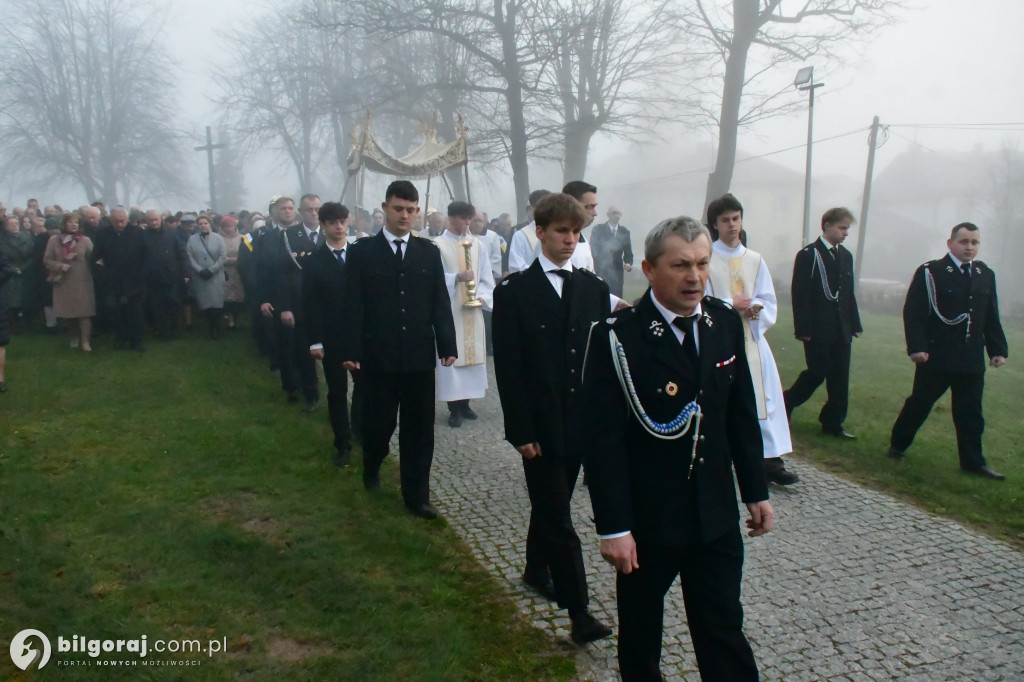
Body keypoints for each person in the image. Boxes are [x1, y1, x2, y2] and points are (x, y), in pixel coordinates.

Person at [581, 215, 772, 681]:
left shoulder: (724, 322)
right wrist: (614, 527)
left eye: (703, 264)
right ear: (648, 269)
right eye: (680, 265)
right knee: (642, 636)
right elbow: (602, 442)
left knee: (723, 625)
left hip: (714, 515)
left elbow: (740, 416)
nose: (694, 277)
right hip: (648, 519)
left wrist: (755, 489)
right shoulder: (617, 338)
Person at [493, 192, 613, 645]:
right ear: (539, 232)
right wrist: (520, 430)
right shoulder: (515, 293)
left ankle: (532, 568)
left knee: (551, 505)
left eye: (575, 232)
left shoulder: (593, 289)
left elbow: (601, 363)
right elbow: (509, 366)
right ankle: (579, 612)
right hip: (540, 426)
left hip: (580, 422)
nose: (569, 239)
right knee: (560, 518)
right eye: (561, 231)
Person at [340, 180, 457, 520]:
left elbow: (439, 300)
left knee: (420, 429)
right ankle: (372, 465)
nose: (404, 215)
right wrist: (351, 348)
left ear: (417, 211)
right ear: (385, 208)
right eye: (398, 209)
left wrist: (446, 342)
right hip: (378, 356)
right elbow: (352, 304)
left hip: (419, 356)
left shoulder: (428, 253)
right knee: (379, 424)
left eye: (410, 210)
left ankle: (417, 495)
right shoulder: (362, 253)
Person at [888, 222, 1008, 480]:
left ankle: (973, 462)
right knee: (920, 403)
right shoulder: (932, 272)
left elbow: (990, 316)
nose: (969, 247)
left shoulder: (984, 274)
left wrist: (997, 349)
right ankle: (898, 445)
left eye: (974, 242)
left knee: (971, 412)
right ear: (950, 243)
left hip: (971, 357)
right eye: (964, 241)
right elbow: (915, 313)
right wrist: (917, 347)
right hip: (937, 355)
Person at [705, 194, 797, 485]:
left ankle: (769, 461)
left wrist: (756, 309)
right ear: (715, 224)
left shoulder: (756, 260)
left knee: (763, 398)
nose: (732, 225)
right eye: (725, 220)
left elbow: (768, 300)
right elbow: (701, 298)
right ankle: (715, 457)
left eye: (736, 218)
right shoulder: (707, 258)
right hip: (717, 340)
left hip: (752, 340)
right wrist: (731, 303)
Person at [784, 207, 863, 439]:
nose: (845, 233)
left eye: (847, 228)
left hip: (841, 327)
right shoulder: (809, 255)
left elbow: (848, 293)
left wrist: (854, 323)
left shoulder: (845, 256)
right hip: (818, 328)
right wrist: (804, 329)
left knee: (840, 376)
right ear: (827, 225)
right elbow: (800, 294)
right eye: (842, 228)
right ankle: (787, 402)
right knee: (818, 371)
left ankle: (833, 422)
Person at [434, 201, 495, 427]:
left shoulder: (478, 245)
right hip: (450, 311)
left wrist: (482, 297)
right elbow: (433, 279)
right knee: (453, 358)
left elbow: (487, 277)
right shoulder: (437, 245)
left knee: (472, 360)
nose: (467, 223)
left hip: (472, 311)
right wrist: (456, 278)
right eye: (462, 218)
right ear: (451, 218)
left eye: (469, 219)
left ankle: (466, 404)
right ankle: (453, 408)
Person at [304, 202, 355, 467]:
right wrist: (315, 340)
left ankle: (360, 431)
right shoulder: (314, 261)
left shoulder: (359, 254)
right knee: (337, 391)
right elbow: (310, 304)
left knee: (366, 390)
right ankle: (342, 443)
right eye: (333, 222)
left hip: (360, 336)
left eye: (342, 221)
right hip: (332, 337)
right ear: (323, 225)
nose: (339, 226)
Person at [257, 196, 320, 410]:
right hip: (295, 299)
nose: (314, 213)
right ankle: (301, 389)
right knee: (296, 347)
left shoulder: (329, 234)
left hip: (321, 301)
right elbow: (275, 273)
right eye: (309, 209)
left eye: (317, 209)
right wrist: (280, 304)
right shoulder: (283, 237)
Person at [92, 207, 146, 351]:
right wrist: (101, 270)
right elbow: (96, 255)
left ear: (127, 220)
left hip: (134, 279)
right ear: (111, 221)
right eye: (116, 222)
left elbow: (145, 255)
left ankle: (136, 341)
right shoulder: (103, 234)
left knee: (135, 312)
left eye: (122, 221)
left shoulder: (138, 233)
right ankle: (120, 337)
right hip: (112, 279)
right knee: (114, 310)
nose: (120, 224)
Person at [43, 213, 95, 352]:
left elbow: (94, 259)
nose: (74, 225)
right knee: (70, 313)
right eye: (71, 222)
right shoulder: (54, 240)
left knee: (85, 313)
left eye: (76, 222)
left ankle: (85, 341)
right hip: (64, 281)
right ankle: (74, 337)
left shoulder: (85, 240)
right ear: (64, 224)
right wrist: (60, 265)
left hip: (82, 282)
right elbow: (47, 260)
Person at [142, 209, 188, 340]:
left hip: (172, 275)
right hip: (153, 278)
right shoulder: (143, 236)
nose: (154, 222)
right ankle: (164, 332)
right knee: (157, 307)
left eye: (156, 219)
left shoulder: (171, 233)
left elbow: (181, 253)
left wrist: (185, 272)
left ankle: (174, 328)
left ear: (161, 219)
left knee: (174, 303)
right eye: (151, 220)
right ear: (147, 221)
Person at [186, 215, 227, 340]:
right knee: (205, 303)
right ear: (197, 226)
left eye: (205, 223)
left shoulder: (218, 238)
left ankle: (216, 328)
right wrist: (200, 270)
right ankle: (210, 325)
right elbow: (190, 256)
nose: (203, 225)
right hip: (201, 276)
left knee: (216, 302)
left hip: (215, 275)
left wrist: (212, 270)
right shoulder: (192, 240)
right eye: (200, 223)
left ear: (210, 224)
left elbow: (222, 257)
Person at [589, 205, 634, 297]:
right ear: (608, 215)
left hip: (617, 272)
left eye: (619, 213)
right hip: (600, 270)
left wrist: (628, 263)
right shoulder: (598, 229)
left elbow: (628, 253)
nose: (617, 215)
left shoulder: (624, 232)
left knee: (616, 297)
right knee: (600, 296)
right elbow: (592, 249)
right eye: (614, 213)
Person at [218, 216, 245, 330]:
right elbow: (218, 255)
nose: (229, 229)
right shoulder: (218, 239)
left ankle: (235, 316)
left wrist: (239, 260)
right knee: (227, 297)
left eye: (231, 226)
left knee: (238, 296)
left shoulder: (243, 238)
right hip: (225, 272)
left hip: (239, 271)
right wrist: (229, 260)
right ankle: (230, 320)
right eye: (226, 227)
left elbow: (246, 253)